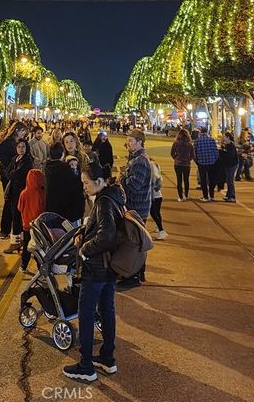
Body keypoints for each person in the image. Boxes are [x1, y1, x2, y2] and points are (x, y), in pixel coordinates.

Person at [63, 159, 125, 383]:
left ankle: (86, 365)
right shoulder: (114, 196)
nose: (84, 187)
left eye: (87, 183)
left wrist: (85, 249)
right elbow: (100, 227)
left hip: (96, 268)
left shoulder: (104, 202)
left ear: (100, 181)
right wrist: (83, 232)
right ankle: (107, 358)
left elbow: (107, 235)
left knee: (87, 314)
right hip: (109, 268)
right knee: (107, 309)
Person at [118, 128, 152, 288]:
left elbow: (134, 185)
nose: (128, 144)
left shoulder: (140, 161)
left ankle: (134, 276)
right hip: (137, 206)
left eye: (131, 141)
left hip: (137, 207)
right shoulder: (136, 158)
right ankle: (137, 273)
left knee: (135, 244)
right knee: (135, 242)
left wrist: (122, 177)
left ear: (139, 142)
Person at [0, 121, 28, 239]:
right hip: (7, 174)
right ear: (17, 130)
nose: (24, 133)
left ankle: (14, 228)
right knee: (9, 200)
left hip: (15, 174)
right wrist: (8, 162)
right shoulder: (8, 142)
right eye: (23, 131)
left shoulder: (19, 142)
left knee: (15, 201)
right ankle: (4, 230)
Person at [3, 140, 33, 253]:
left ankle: (16, 242)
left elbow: (18, 174)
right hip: (13, 191)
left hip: (22, 192)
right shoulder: (15, 158)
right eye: (19, 146)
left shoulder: (27, 160)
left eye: (23, 146)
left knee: (18, 216)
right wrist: (11, 174)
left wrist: (12, 174)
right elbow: (7, 171)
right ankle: (18, 241)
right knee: (14, 215)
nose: (21, 148)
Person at [45, 150, 86, 225]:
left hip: (72, 213)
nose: (73, 167)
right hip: (70, 214)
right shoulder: (66, 178)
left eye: (75, 165)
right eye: (71, 165)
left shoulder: (80, 178)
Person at [17, 168, 45, 273]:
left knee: (26, 247)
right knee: (39, 247)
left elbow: (19, 208)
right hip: (38, 226)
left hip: (26, 225)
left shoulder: (23, 193)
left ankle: (23, 265)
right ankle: (40, 267)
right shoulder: (42, 193)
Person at [193, 126, 219, 202]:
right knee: (211, 179)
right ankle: (212, 195)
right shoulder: (212, 140)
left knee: (203, 180)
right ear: (207, 132)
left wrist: (197, 161)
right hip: (211, 162)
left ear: (200, 132)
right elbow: (216, 152)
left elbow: (195, 153)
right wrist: (214, 160)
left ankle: (205, 196)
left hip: (201, 163)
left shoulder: (197, 141)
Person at [170, 128, 194, 201]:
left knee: (179, 180)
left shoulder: (176, 143)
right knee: (186, 180)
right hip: (186, 164)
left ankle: (180, 197)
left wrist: (176, 158)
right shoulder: (189, 144)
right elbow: (192, 155)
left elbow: (172, 153)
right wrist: (188, 159)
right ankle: (186, 195)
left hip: (178, 163)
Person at [149, 159, 167, 240]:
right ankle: (158, 227)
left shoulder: (152, 177)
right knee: (157, 213)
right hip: (159, 196)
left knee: (153, 213)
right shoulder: (158, 175)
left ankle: (161, 230)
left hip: (154, 197)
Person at [220, 131, 239, 202]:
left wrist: (222, 152)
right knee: (228, 180)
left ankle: (232, 196)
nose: (223, 138)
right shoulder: (227, 145)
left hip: (232, 165)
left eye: (224, 136)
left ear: (228, 137)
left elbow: (230, 156)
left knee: (230, 180)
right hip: (229, 164)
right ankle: (228, 195)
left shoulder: (231, 146)